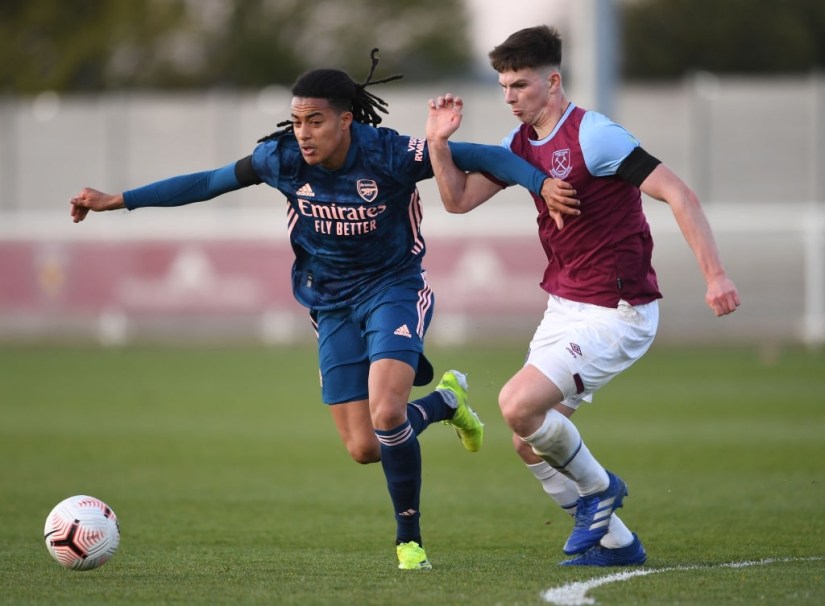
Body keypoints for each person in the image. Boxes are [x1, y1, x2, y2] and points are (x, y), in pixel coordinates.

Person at [70, 50, 566, 571]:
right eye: (297, 121)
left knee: (387, 413)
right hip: (329, 302)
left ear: (346, 120)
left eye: (315, 121)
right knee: (364, 447)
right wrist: (117, 200)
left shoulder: (389, 153)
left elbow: (486, 155)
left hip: (393, 289)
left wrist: (540, 183)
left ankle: (409, 542)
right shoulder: (281, 158)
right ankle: (445, 402)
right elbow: (207, 183)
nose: (303, 133)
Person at [425, 26, 740, 567]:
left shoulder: (595, 137)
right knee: (529, 440)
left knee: (516, 404)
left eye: (521, 85)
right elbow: (457, 201)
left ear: (553, 81)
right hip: (565, 305)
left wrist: (716, 275)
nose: (510, 97)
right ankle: (618, 544)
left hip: (618, 312)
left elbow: (678, 193)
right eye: (503, 87)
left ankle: (600, 490)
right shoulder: (518, 144)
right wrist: (438, 143)